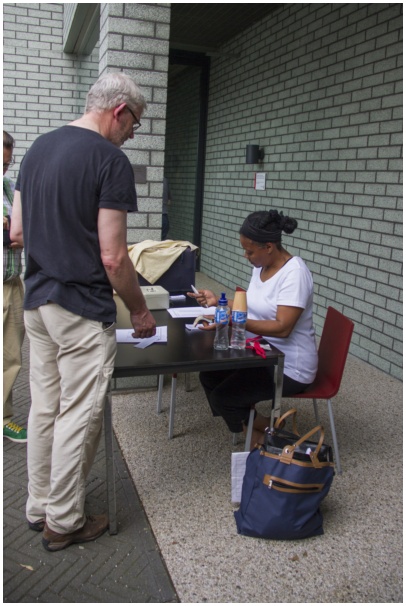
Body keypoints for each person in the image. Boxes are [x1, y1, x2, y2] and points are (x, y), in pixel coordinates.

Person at [10, 72, 156, 552]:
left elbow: (17, 232)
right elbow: (114, 258)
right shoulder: (109, 160)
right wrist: (139, 310)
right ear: (119, 111)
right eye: (135, 122)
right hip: (80, 311)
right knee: (79, 415)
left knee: (45, 409)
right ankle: (64, 521)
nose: (132, 133)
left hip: (38, 304)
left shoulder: (37, 149)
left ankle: (39, 506)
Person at [188, 209, 318, 449]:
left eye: (249, 251)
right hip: (262, 352)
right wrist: (219, 302)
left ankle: (261, 441)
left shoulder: (295, 275)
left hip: (289, 366)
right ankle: (264, 425)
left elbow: (283, 328)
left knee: (224, 397)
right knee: (209, 376)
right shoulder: (261, 266)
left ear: (268, 247)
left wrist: (234, 320)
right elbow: (254, 305)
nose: (245, 255)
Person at [3, 130, 27, 443]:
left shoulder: (9, 187)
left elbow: (20, 228)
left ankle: (4, 417)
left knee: (10, 356)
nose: (4, 170)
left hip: (11, 280)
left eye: (7, 164)